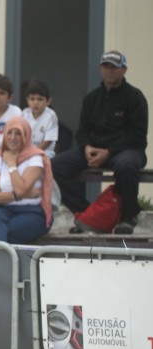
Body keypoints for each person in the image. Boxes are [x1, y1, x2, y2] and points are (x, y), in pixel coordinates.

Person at [52, 50, 148, 235]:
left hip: (125, 150)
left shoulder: (135, 97)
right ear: (101, 69)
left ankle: (129, 217)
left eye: (115, 67)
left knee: (126, 166)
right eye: (106, 66)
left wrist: (109, 152)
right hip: (94, 148)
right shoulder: (91, 98)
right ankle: (88, 214)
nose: (110, 70)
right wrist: (86, 147)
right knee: (54, 166)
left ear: (124, 70)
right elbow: (82, 131)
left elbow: (137, 135)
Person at [0, 116, 53, 244]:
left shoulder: (35, 158)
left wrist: (11, 164)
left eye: (18, 133)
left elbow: (20, 189)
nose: (12, 137)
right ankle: (1, 261)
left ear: (25, 136)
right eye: (9, 132)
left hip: (32, 212)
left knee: (3, 232)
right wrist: (20, 195)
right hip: (5, 210)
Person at [22, 78, 59, 159]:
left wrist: (32, 153)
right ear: (27, 100)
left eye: (40, 99)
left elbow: (48, 141)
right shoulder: (24, 114)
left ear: (48, 101)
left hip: (45, 154)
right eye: (32, 99)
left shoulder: (51, 116)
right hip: (26, 153)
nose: (36, 103)